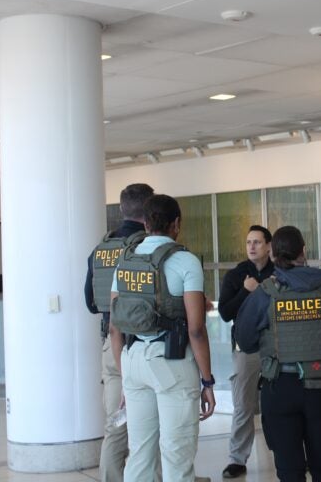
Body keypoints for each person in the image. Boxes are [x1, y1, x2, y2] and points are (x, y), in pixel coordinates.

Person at [109, 194, 216, 482]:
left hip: (132, 359)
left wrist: (125, 377)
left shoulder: (125, 261)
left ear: (145, 223)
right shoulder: (185, 261)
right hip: (172, 362)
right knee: (176, 455)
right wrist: (207, 381)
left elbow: (115, 327)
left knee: (139, 454)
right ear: (176, 224)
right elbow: (196, 329)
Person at [235, 225, 321, 482]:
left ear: (273, 254)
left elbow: (244, 340)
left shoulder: (265, 293)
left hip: (279, 387)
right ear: (303, 251)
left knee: (289, 471)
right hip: (320, 386)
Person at [84, 183, 153, 482]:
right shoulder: (149, 248)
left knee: (116, 426)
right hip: (145, 346)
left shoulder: (101, 250)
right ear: (150, 210)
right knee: (152, 427)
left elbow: (91, 303)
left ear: (123, 208)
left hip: (111, 349)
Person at [218, 225, 275, 479]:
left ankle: (288, 452)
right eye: (249, 242)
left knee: (280, 402)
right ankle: (237, 459)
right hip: (246, 347)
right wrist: (246, 290)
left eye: (257, 242)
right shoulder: (236, 275)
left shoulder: (279, 272)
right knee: (243, 404)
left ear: (269, 246)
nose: (252, 246)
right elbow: (225, 312)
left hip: (276, 346)